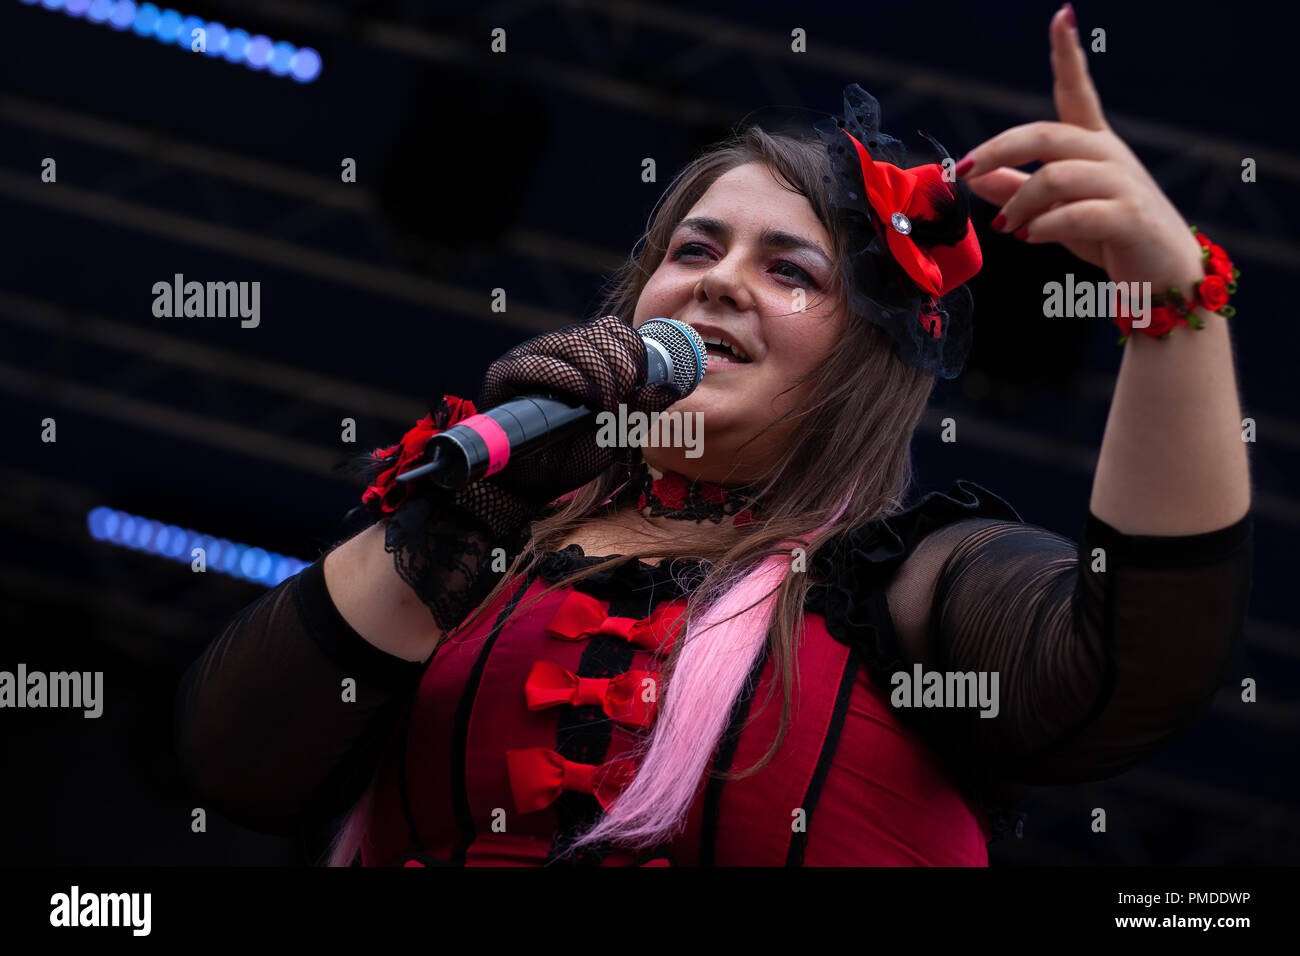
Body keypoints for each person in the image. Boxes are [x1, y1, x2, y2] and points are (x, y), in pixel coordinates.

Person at [173, 7, 1253, 866]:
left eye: (788, 270)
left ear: (859, 361)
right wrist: (459, 519)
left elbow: (1129, 669)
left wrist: (1176, 312)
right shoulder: (480, 550)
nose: (721, 281)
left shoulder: (908, 586)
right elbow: (238, 764)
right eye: (693, 249)